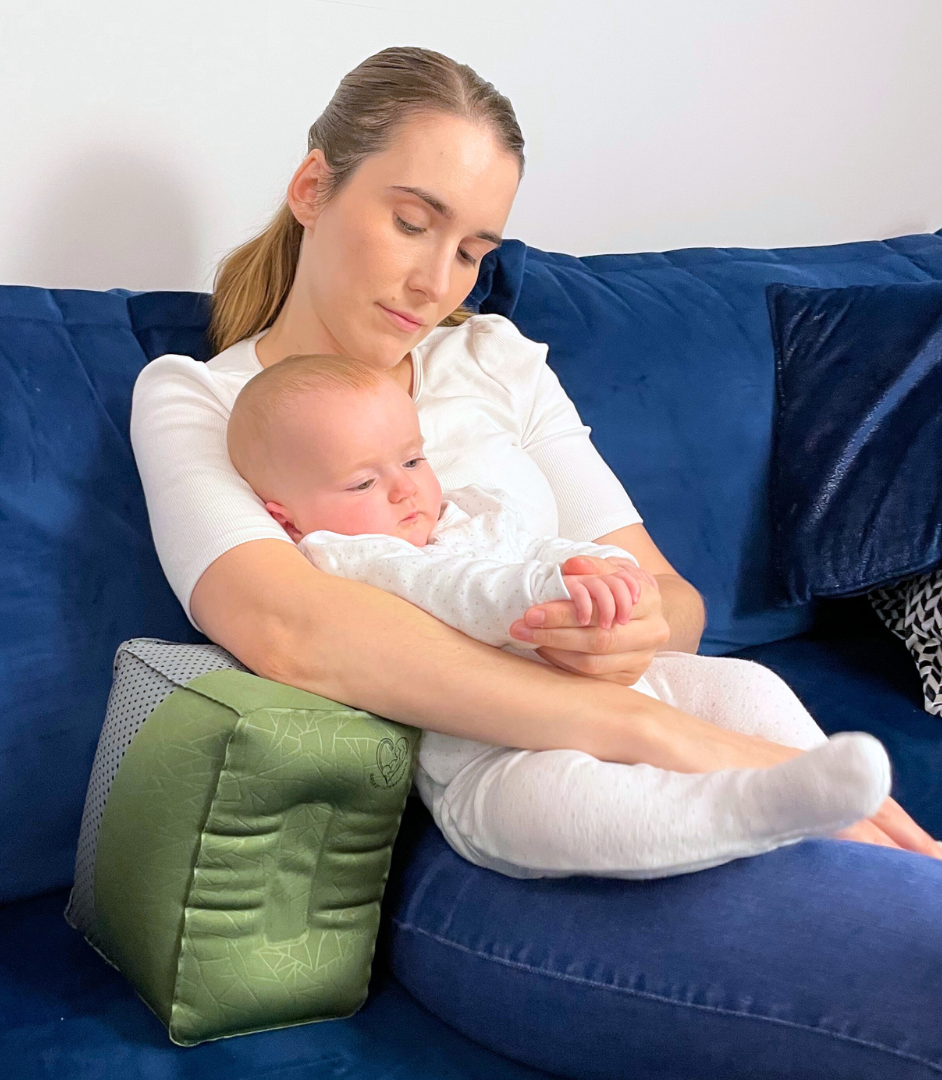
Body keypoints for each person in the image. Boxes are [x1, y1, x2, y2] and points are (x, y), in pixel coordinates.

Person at [131, 45, 942, 1080]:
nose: (437, 281)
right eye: (411, 221)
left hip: (660, 737)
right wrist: (638, 724)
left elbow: (669, 601)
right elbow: (295, 627)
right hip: (468, 839)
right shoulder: (204, 400)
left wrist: (632, 637)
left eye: (471, 249)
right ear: (312, 187)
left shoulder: (496, 363)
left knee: (895, 890)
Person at [225, 350, 893, 880]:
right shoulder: (348, 558)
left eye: (412, 459)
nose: (405, 490)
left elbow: (544, 546)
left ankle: (819, 779)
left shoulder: (467, 509)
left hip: (616, 692)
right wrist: (548, 587)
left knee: (745, 684)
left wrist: (604, 573)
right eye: (363, 483)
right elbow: (459, 593)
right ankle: (753, 808)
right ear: (285, 515)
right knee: (571, 806)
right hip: (495, 760)